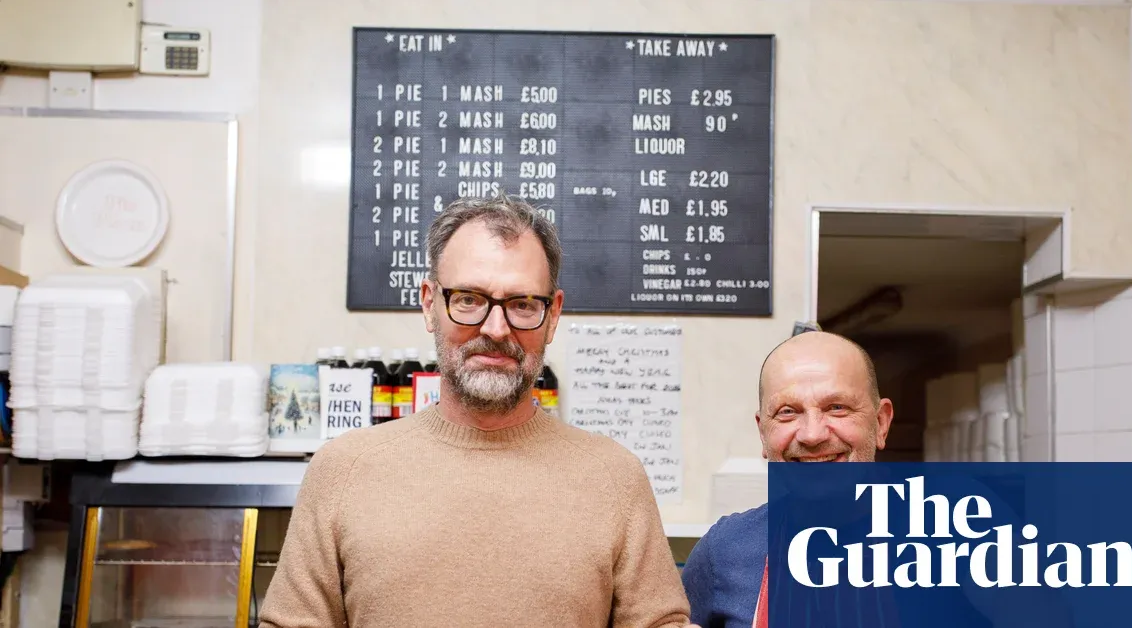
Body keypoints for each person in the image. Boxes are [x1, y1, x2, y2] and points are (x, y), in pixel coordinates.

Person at [260, 193, 693, 627]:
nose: (496, 328)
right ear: (429, 304)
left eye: (523, 304)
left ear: (553, 315)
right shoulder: (343, 470)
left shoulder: (615, 477)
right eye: (468, 299)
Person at [681, 331, 894, 628]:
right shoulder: (724, 550)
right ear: (762, 433)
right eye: (787, 412)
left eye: (837, 407)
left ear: (881, 423)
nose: (812, 435)